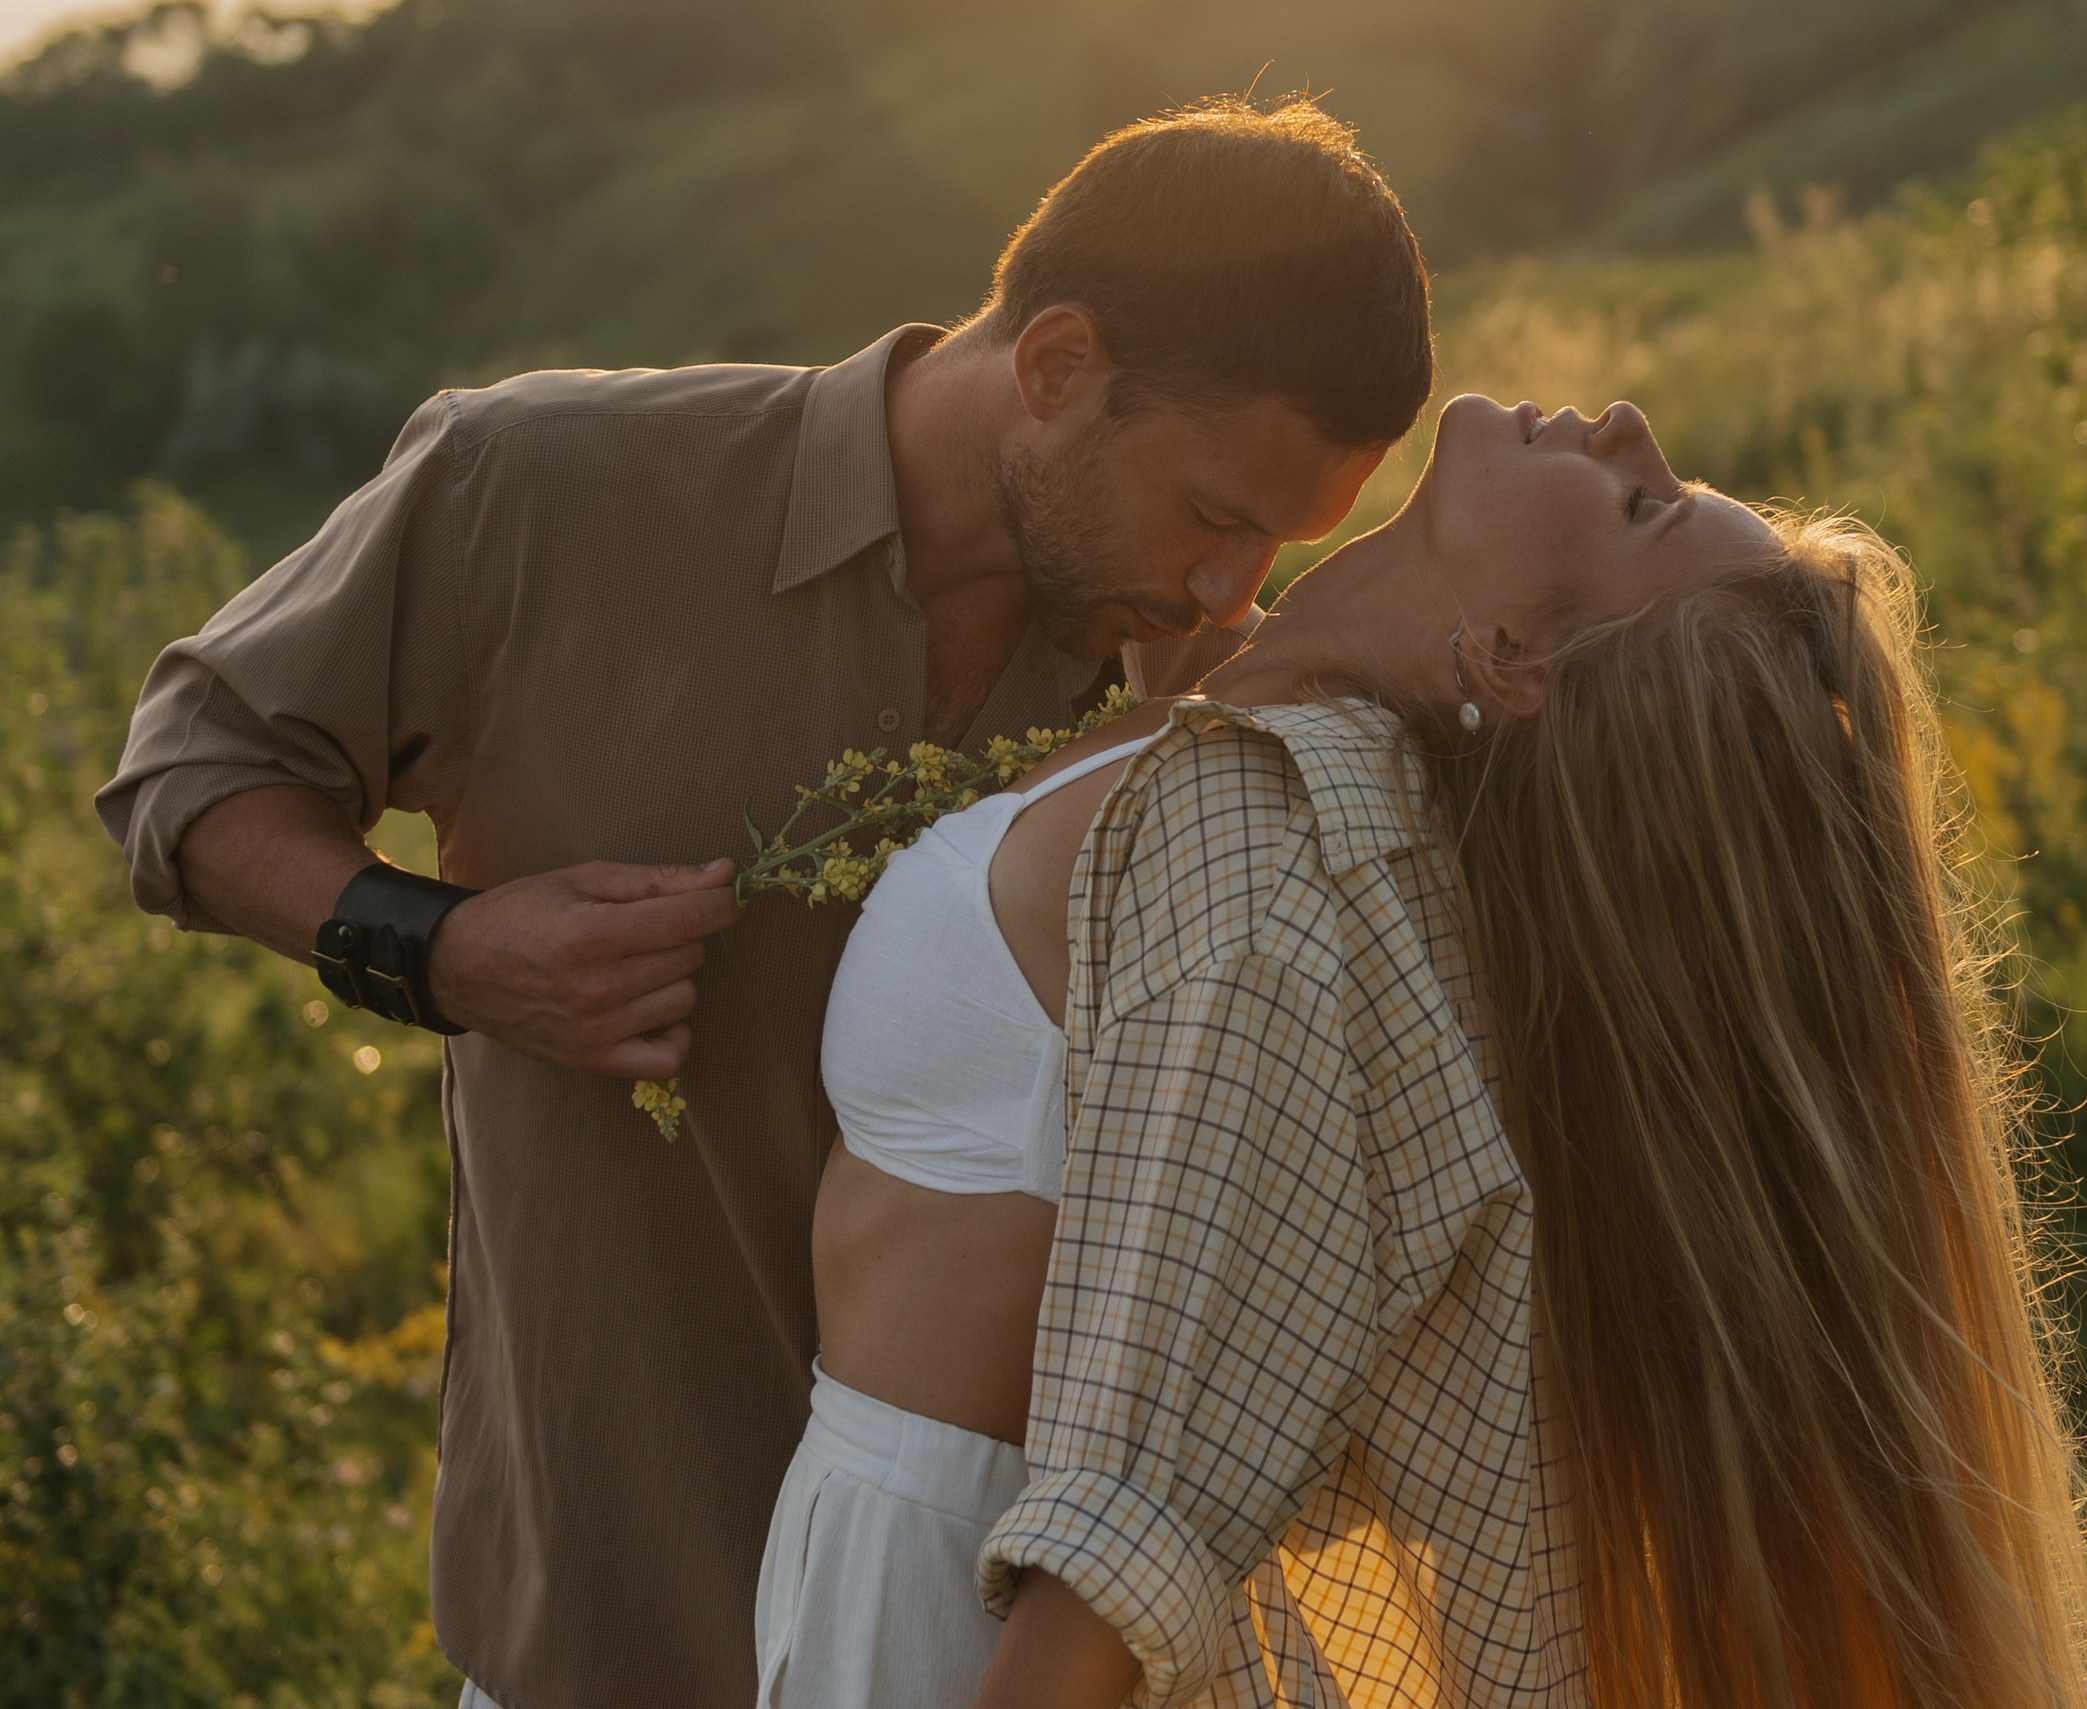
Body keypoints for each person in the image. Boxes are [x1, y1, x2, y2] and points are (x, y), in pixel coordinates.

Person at [93, 99, 1432, 1709]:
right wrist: (444, 952)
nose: (1236, 591)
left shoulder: (1174, 692)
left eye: (1279, 546)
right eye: (1218, 516)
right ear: (1058, 363)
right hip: (609, 1631)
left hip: (996, 1644)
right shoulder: (542, 485)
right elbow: (188, 769)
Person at [762, 393, 2087, 1707]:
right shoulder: (1271, 724)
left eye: (1642, 506)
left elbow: (1133, 1538)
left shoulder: (1265, 860)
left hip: (935, 1625)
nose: (1629, 431)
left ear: (1511, 659)